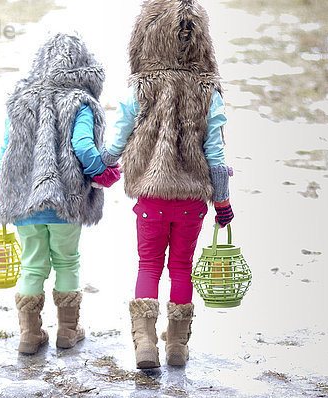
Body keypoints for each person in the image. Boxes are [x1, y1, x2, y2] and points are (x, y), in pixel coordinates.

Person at [100, 0, 234, 368]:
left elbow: (119, 139)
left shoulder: (141, 88)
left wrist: (103, 165)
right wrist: (222, 203)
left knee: (148, 266)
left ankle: (145, 345)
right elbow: (216, 155)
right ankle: (177, 347)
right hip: (192, 200)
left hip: (150, 195)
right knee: (181, 268)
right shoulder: (210, 91)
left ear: (147, 39)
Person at [0, 33, 121, 355]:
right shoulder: (80, 102)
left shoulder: (21, 99)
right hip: (65, 202)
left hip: (23, 202)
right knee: (67, 262)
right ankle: (67, 331)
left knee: (32, 264)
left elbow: (7, 151)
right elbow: (83, 147)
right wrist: (102, 172)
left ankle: (29, 335)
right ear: (82, 66)